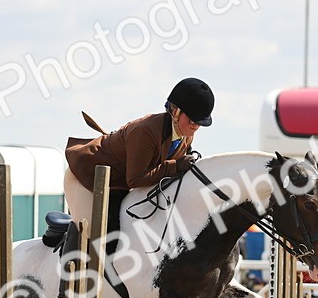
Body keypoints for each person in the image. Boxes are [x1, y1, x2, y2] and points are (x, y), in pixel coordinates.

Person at [63, 78, 215, 233]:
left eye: (199, 122)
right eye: (191, 119)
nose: (195, 126)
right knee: (93, 232)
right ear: (176, 112)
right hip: (86, 178)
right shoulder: (145, 131)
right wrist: (174, 166)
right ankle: (71, 257)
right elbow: (135, 179)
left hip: (118, 186)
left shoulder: (187, 135)